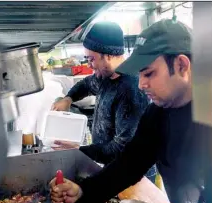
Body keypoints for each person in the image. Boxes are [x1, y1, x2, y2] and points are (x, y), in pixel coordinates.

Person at [49, 19, 212, 203]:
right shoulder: (158, 114)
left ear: (181, 65)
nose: (142, 84)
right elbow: (129, 164)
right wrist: (84, 191)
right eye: (140, 74)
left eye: (149, 73)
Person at [51, 21, 157, 182]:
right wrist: (68, 98)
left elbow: (122, 148)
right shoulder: (105, 76)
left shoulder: (131, 89)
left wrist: (80, 150)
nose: (89, 65)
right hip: (113, 168)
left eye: (91, 59)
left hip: (135, 176)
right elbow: (86, 84)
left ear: (107, 55)